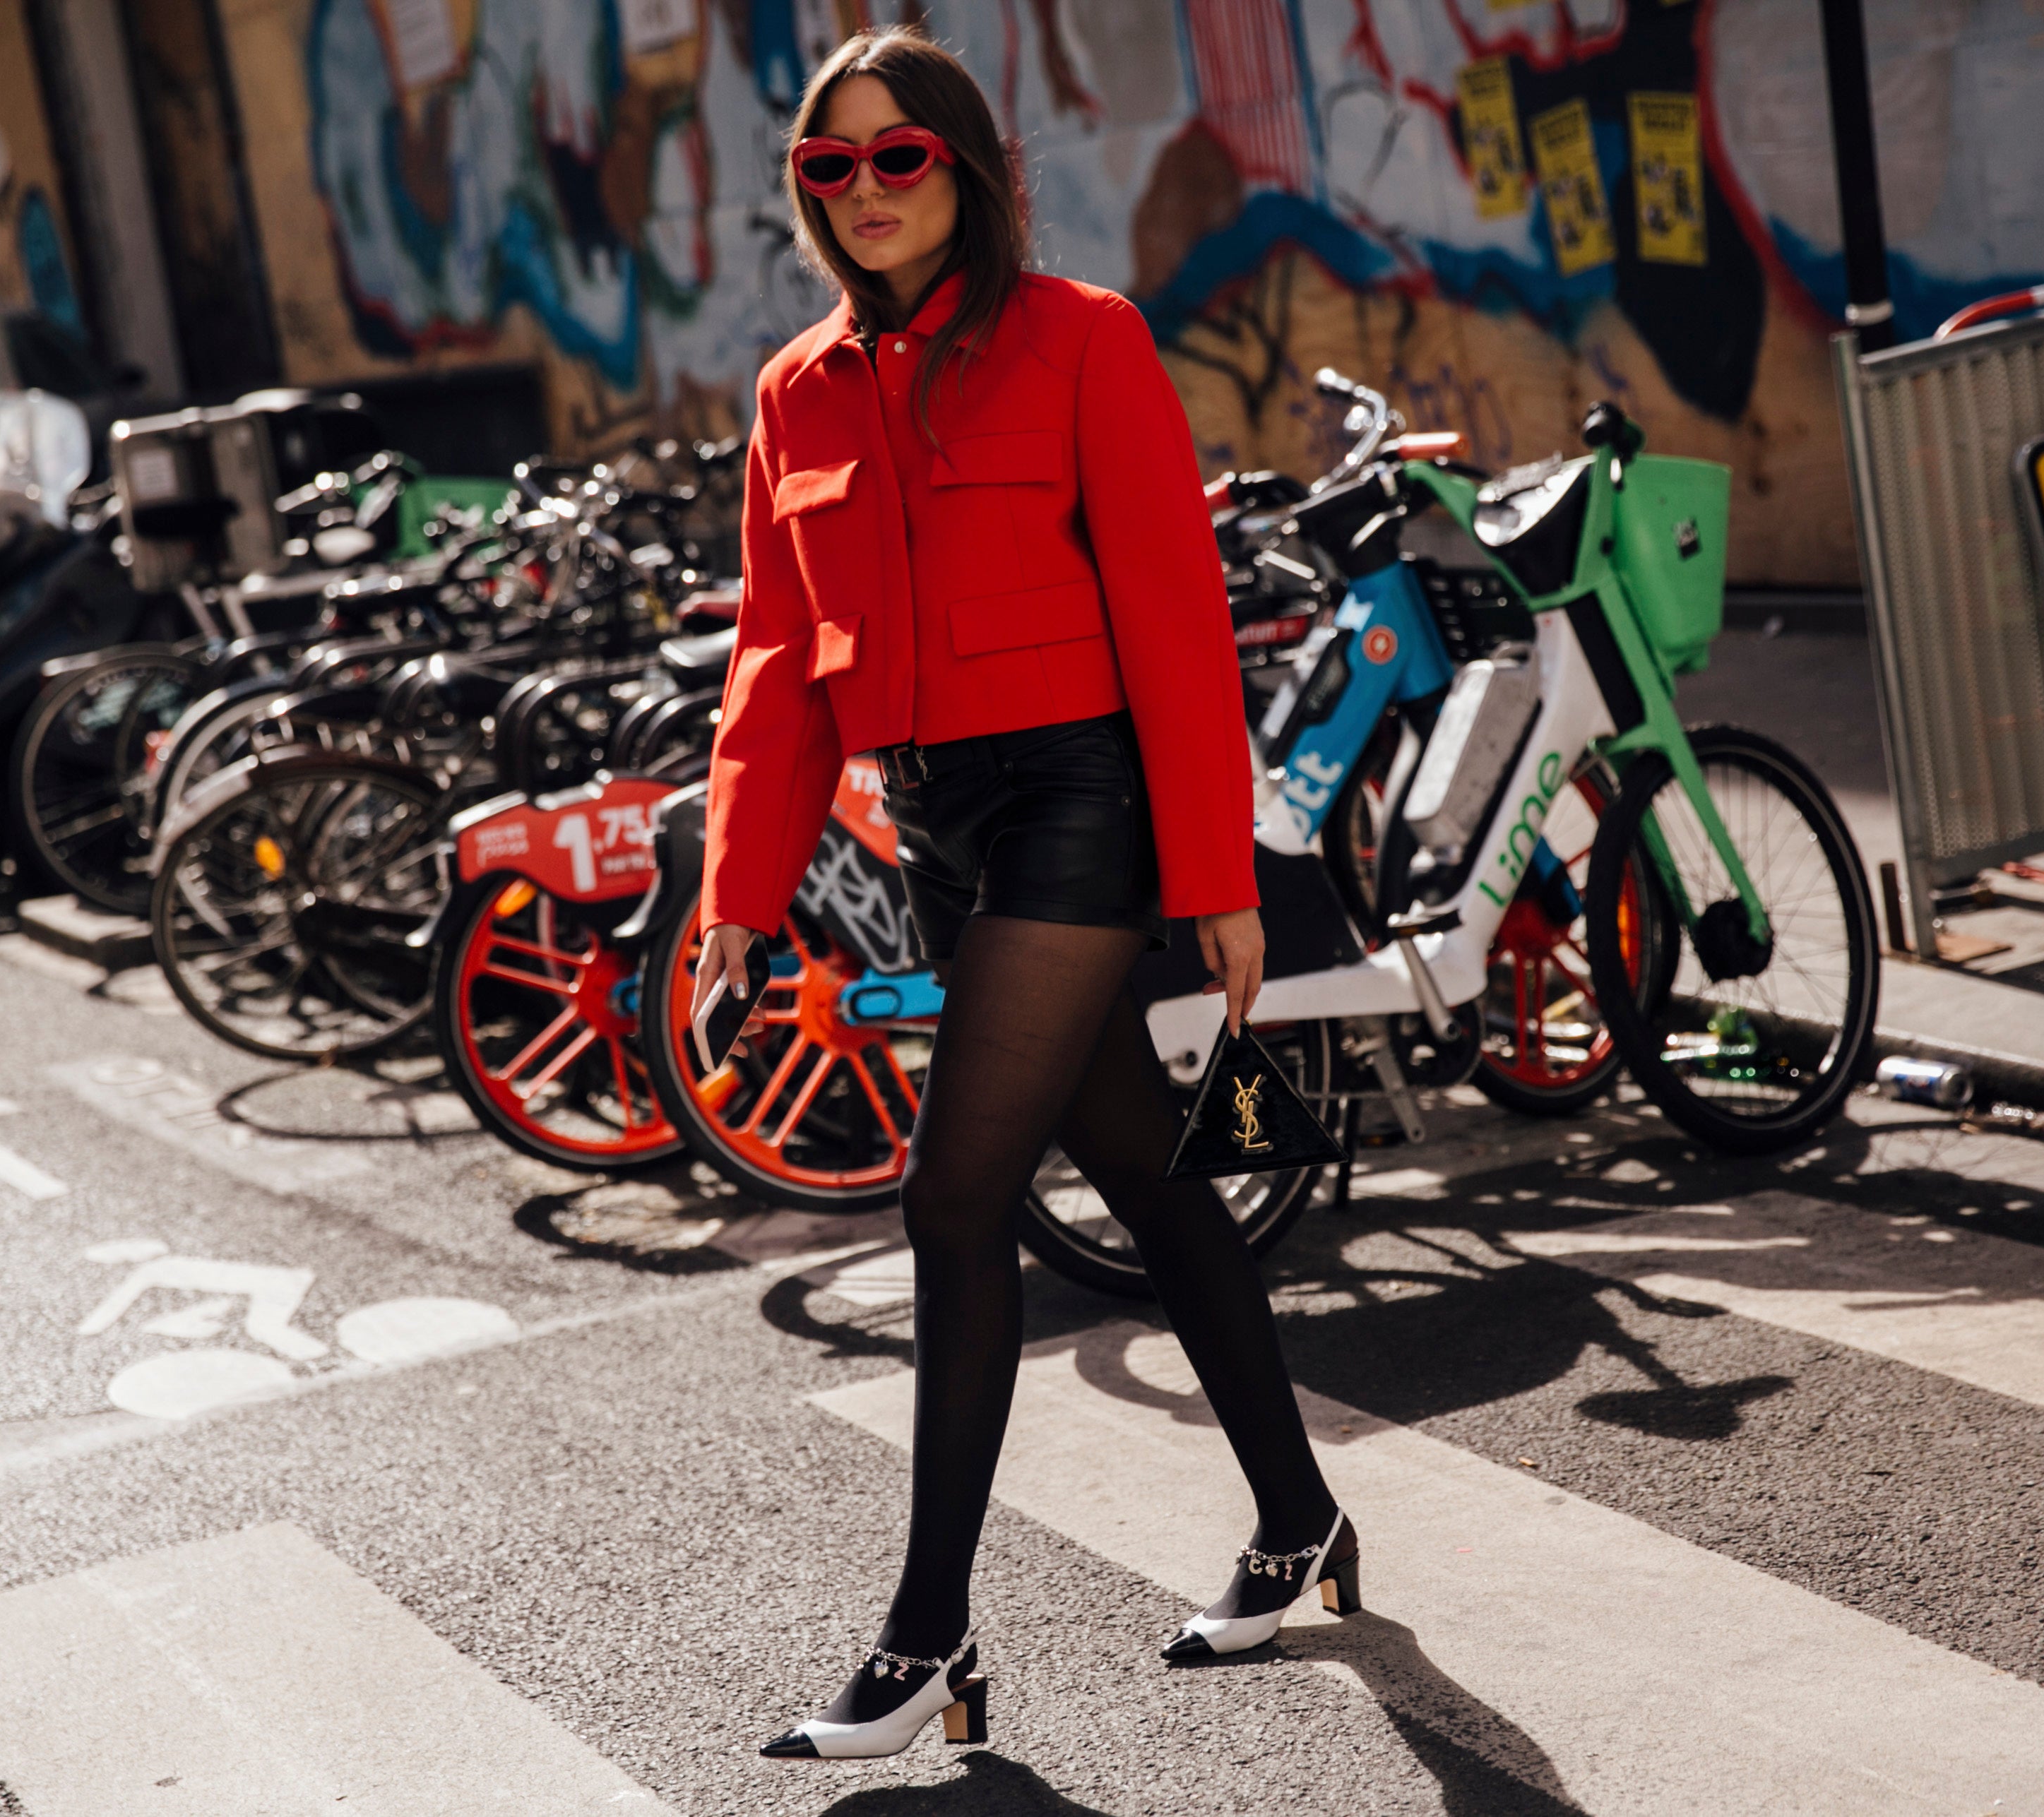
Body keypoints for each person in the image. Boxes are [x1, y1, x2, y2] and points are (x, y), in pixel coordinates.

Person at [697, 26, 1359, 1763]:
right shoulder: (794, 394)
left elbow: (1171, 619)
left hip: (1082, 795)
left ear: (967, 166)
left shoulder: (1081, 339)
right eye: (826, 167)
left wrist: (1213, 876)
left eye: (895, 156)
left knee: (951, 1197)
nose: (863, 191)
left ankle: (926, 1637)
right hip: (935, 822)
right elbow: (773, 662)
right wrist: (736, 904)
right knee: (1140, 1172)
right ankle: (1301, 1520)